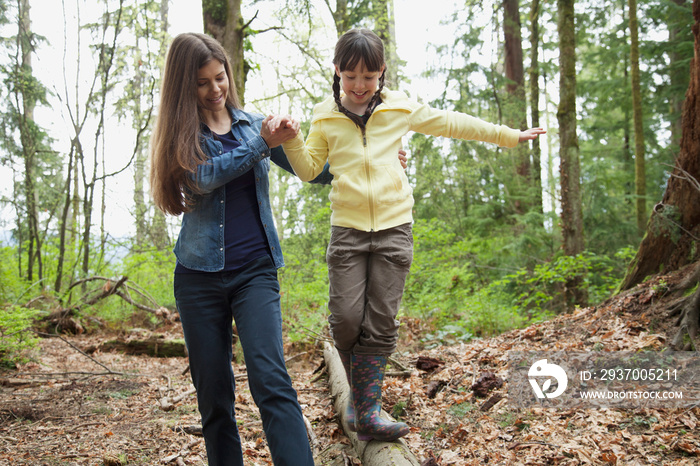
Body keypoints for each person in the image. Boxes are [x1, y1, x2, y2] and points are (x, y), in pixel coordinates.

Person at [268, 28, 546, 443]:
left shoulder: (398, 108)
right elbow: (309, 170)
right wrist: (290, 139)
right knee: (345, 320)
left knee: (380, 322)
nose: (360, 86)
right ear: (337, 72)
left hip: (395, 227)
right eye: (350, 77)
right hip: (347, 229)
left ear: (382, 72)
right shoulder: (324, 116)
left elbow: (451, 123)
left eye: (369, 77)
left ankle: (367, 409)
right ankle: (362, 400)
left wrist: (507, 135)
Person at [148, 32, 320, 466]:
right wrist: (262, 143)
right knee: (215, 399)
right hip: (198, 279)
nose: (214, 89)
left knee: (271, 381)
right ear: (184, 87)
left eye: (219, 77)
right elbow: (203, 178)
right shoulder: (182, 137)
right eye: (202, 83)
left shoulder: (251, 124)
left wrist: (374, 159)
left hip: (255, 272)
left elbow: (313, 170)